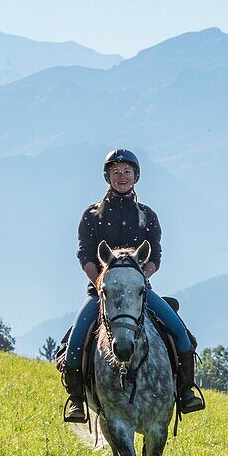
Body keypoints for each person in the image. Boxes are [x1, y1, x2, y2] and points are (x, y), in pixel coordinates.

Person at [60, 148, 205, 423]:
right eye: (116, 172)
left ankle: (186, 391)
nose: (122, 177)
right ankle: (77, 400)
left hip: (141, 292)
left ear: (136, 176)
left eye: (127, 172)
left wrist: (142, 278)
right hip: (103, 293)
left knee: (180, 334)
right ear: (108, 177)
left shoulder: (147, 215)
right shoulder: (92, 215)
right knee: (76, 342)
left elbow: (156, 256)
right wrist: (102, 282)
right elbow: (85, 254)